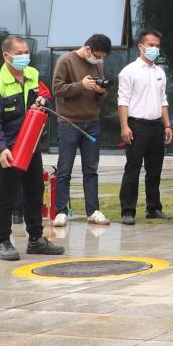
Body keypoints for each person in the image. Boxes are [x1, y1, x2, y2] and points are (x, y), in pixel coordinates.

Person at [0, 35, 64, 262]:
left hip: (31, 145)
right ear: (6, 56)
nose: (24, 57)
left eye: (26, 52)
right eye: (18, 53)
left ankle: (36, 239)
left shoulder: (32, 74)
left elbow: (46, 95)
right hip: (8, 150)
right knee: (5, 197)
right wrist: (0, 149)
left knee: (35, 192)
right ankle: (3, 241)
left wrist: (43, 102)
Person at [51, 32, 113, 227]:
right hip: (69, 122)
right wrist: (82, 85)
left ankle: (93, 210)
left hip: (92, 122)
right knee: (64, 169)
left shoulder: (97, 65)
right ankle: (60, 211)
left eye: (102, 57)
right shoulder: (66, 61)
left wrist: (100, 91)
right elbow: (57, 89)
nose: (99, 59)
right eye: (98, 55)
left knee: (91, 169)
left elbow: (102, 91)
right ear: (88, 49)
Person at [116, 28, 172, 223]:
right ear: (141, 46)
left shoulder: (160, 72)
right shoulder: (129, 71)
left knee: (154, 169)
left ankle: (153, 208)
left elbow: (163, 100)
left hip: (156, 126)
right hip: (136, 125)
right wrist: (125, 126)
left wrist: (167, 125)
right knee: (133, 169)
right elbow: (123, 101)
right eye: (151, 45)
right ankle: (128, 210)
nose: (154, 49)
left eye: (157, 46)